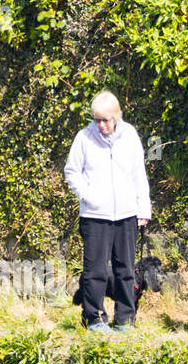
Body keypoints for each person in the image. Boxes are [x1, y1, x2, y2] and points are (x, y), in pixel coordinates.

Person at [63, 90, 151, 333]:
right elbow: (72, 171)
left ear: (117, 117)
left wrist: (143, 208)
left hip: (126, 214)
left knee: (125, 269)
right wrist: (88, 196)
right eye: (96, 119)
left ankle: (125, 318)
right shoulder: (84, 137)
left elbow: (138, 174)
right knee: (96, 270)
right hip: (94, 216)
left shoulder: (130, 135)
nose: (100, 125)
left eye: (105, 120)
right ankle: (94, 318)